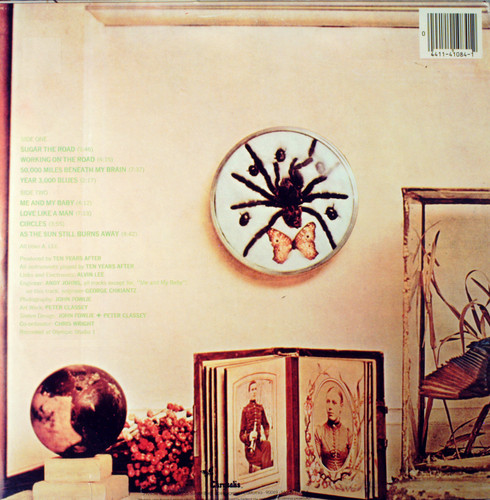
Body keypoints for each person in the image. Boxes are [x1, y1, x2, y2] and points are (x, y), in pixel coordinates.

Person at [314, 385, 352, 471]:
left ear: (341, 407)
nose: (330, 407)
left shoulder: (348, 434)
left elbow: (352, 463)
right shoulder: (319, 432)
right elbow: (316, 463)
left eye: (334, 403)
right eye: (328, 402)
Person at [239, 380, 273, 473]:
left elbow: (266, 425)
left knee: (267, 445)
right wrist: (249, 437)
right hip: (250, 448)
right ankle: (266, 473)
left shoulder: (260, 408)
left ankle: (265, 472)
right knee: (266, 461)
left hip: (259, 444)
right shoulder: (245, 410)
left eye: (255, 389)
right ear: (249, 392)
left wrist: (265, 436)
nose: (254, 392)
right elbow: (241, 435)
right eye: (252, 389)